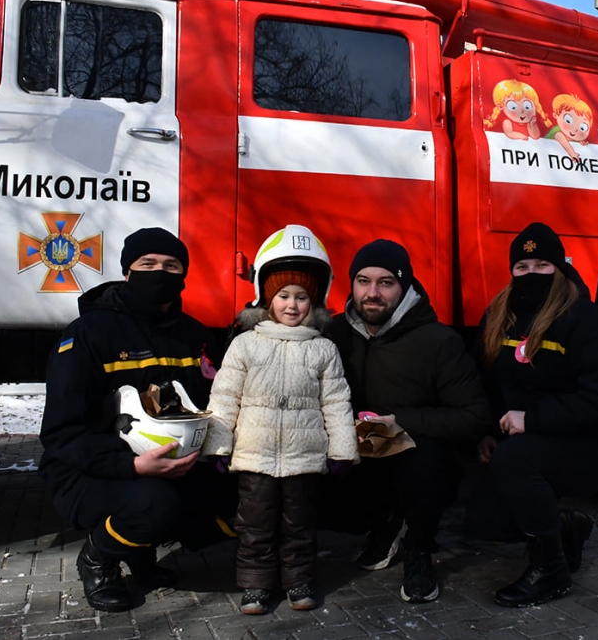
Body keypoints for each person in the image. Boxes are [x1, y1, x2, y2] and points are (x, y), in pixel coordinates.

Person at [38, 227, 237, 613]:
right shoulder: (88, 335)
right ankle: (99, 559)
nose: (160, 272)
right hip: (91, 469)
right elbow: (61, 433)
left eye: (171, 266)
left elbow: (216, 401)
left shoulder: (194, 336)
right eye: (148, 264)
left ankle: (141, 551)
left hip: (177, 463)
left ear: (183, 276)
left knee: (242, 499)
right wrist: (132, 465)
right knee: (153, 505)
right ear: (127, 272)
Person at [472, 222, 598, 608]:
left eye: (542, 265)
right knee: (486, 523)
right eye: (522, 267)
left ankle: (550, 571)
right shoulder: (498, 316)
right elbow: (486, 381)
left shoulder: (593, 323)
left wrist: (531, 419)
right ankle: (565, 527)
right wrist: (485, 431)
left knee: (513, 463)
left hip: (594, 444)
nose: (531, 275)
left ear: (559, 268)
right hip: (533, 438)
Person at [200, 225, 359, 615]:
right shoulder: (246, 344)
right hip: (254, 457)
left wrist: (342, 449)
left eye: (302, 297)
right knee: (254, 525)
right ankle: (256, 585)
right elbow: (224, 398)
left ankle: (299, 580)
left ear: (315, 301)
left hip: (304, 459)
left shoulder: (323, 349)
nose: (292, 305)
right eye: (283, 295)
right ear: (266, 298)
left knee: (300, 525)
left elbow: (337, 402)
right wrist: (218, 444)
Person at [323, 239, 492, 604]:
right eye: (363, 281)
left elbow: (474, 416)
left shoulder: (438, 341)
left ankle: (419, 550)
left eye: (386, 283)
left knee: (426, 461)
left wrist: (400, 422)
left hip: (415, 456)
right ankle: (385, 522)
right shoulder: (332, 335)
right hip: (353, 454)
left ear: (405, 287)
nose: (372, 293)